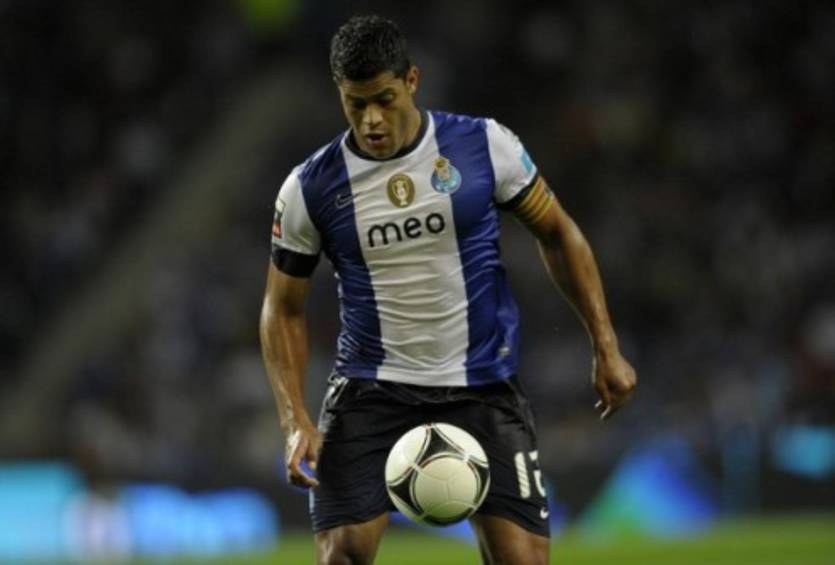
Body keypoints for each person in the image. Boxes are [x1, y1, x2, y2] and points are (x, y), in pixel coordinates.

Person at [259, 14, 636, 565]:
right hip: (370, 391)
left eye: (384, 99)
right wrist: (295, 421)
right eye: (355, 104)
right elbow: (282, 308)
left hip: (482, 385)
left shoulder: (484, 145)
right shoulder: (309, 188)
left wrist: (605, 345)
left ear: (412, 81)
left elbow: (558, 233)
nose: (371, 119)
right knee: (343, 554)